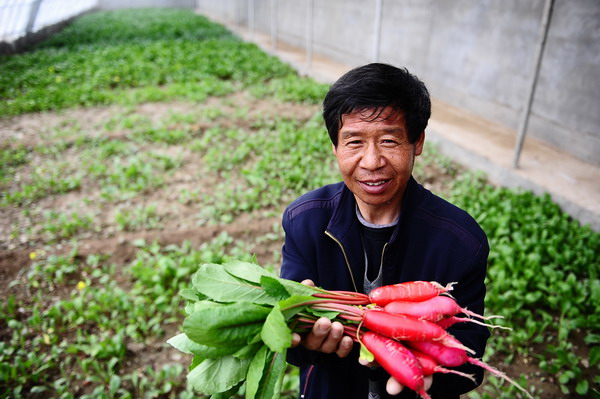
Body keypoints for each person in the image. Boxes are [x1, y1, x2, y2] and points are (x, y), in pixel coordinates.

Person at [280, 63, 490, 399]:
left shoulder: (460, 241)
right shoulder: (305, 221)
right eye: (354, 142)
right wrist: (304, 335)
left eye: (389, 140)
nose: (372, 161)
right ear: (335, 146)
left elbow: (468, 360)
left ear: (417, 142)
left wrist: (424, 372)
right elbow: (290, 349)